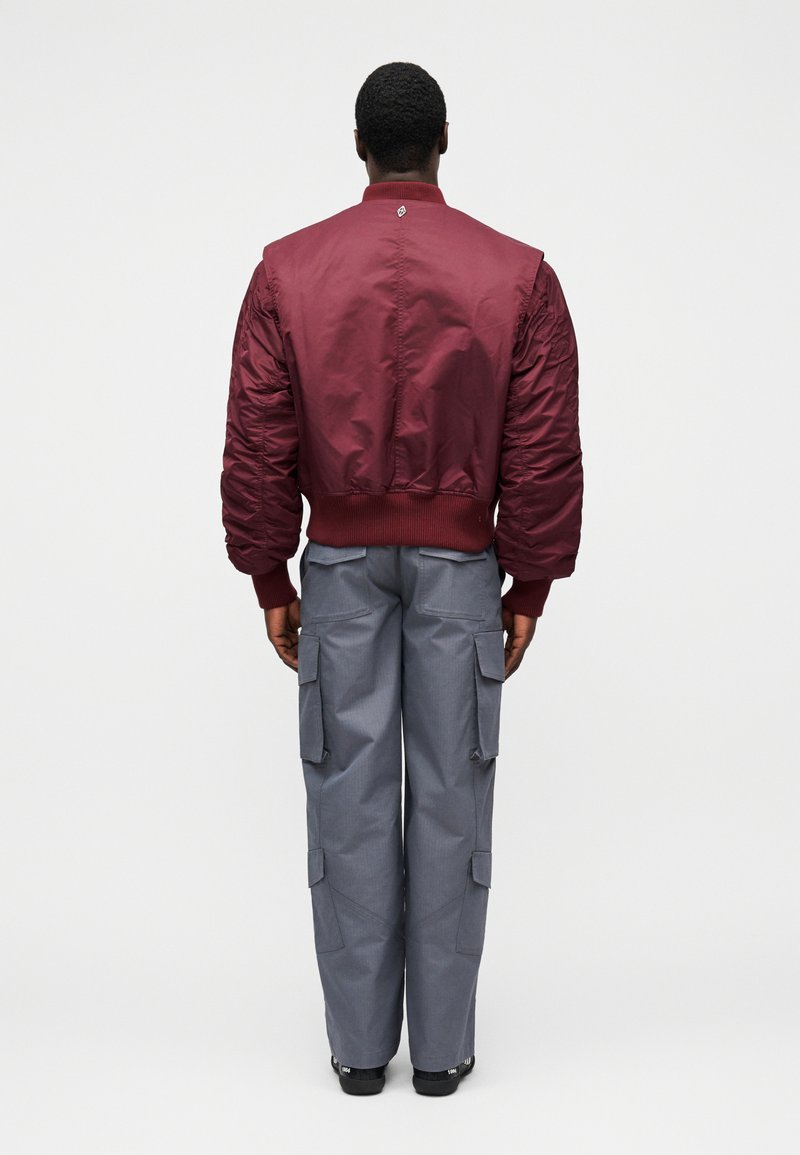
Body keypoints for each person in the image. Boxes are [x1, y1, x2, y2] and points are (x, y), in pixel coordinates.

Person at [220, 60, 583, 1096]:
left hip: (336, 564)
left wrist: (269, 575)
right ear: (444, 141)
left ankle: (357, 1054)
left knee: (347, 797)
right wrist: (528, 586)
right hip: (462, 566)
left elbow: (258, 437)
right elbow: (542, 443)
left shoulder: (286, 271)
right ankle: (440, 1056)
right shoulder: (518, 274)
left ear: (358, 146)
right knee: (452, 798)